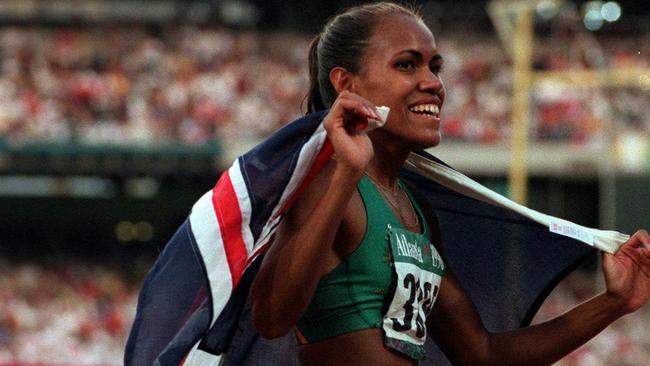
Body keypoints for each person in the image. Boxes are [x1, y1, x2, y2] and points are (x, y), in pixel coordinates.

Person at [248, 3, 650, 366]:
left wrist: (613, 303)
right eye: (407, 65)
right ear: (346, 84)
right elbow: (270, 318)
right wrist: (347, 175)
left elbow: (482, 354)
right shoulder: (329, 184)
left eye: (435, 67)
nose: (433, 83)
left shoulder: (416, 210)